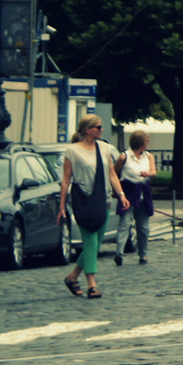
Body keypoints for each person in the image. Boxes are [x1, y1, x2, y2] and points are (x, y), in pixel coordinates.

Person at [57, 115, 129, 298]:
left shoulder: (104, 148)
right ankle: (92, 284)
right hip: (84, 201)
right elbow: (66, 180)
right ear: (87, 130)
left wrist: (121, 195)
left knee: (95, 246)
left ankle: (72, 277)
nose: (101, 129)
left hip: (103, 201)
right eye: (98, 127)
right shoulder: (72, 151)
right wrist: (62, 207)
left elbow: (112, 174)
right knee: (90, 242)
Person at [113, 129, 157, 266]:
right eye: (146, 141)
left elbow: (154, 172)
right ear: (140, 143)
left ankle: (143, 254)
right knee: (125, 223)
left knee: (143, 227)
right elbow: (114, 173)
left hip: (143, 192)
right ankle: (119, 253)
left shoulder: (149, 156)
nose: (148, 143)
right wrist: (117, 191)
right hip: (128, 192)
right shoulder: (124, 157)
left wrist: (148, 173)